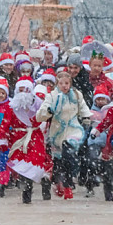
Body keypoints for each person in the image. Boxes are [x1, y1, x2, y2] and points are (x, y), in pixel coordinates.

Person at [36, 71, 92, 199]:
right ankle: (58, 183)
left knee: (68, 152)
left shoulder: (77, 95)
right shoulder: (52, 96)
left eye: (67, 83)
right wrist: (48, 111)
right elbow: (40, 115)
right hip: (57, 131)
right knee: (58, 161)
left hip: (73, 129)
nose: (64, 86)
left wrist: (86, 118)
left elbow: (83, 108)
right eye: (61, 83)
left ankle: (69, 183)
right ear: (57, 84)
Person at [0, 78, 49, 203]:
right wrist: (2, 139)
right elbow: (5, 123)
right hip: (18, 139)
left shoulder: (39, 105)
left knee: (34, 163)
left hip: (35, 137)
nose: (23, 93)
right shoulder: (12, 106)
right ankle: (27, 187)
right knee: (21, 165)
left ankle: (39, 184)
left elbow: (46, 118)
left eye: (25, 90)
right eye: (20, 90)